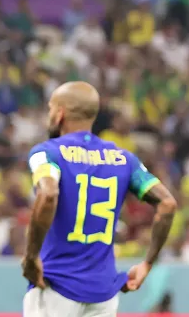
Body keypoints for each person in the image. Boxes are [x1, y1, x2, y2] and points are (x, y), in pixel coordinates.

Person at [21, 82, 177, 317]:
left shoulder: (46, 153)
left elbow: (48, 193)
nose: (49, 115)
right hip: (104, 295)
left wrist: (31, 257)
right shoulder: (124, 159)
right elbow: (167, 204)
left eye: (50, 108)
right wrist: (147, 263)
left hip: (55, 284)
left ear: (60, 113)